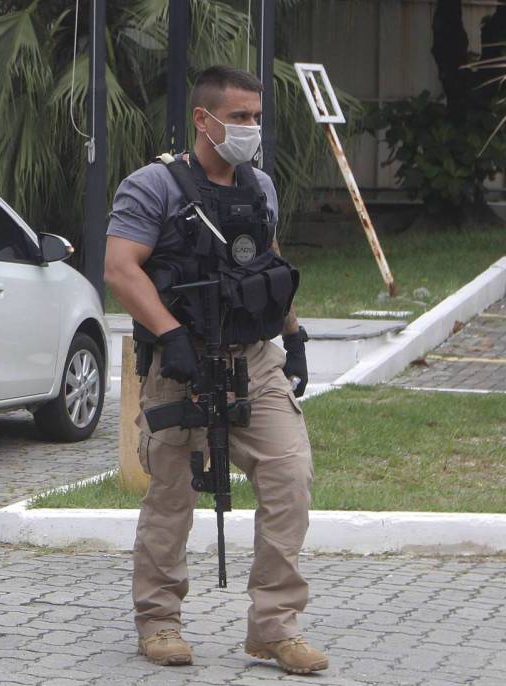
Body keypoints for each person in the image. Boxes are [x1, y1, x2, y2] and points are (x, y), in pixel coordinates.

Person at [103, 66, 326, 675]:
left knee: (289, 477)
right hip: (182, 365)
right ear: (204, 119)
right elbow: (122, 268)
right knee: (172, 495)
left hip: (253, 361)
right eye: (240, 116)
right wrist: (169, 335)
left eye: (257, 117)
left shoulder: (261, 187)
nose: (251, 128)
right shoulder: (153, 186)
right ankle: (159, 622)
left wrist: (293, 334)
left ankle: (275, 628)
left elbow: (269, 268)